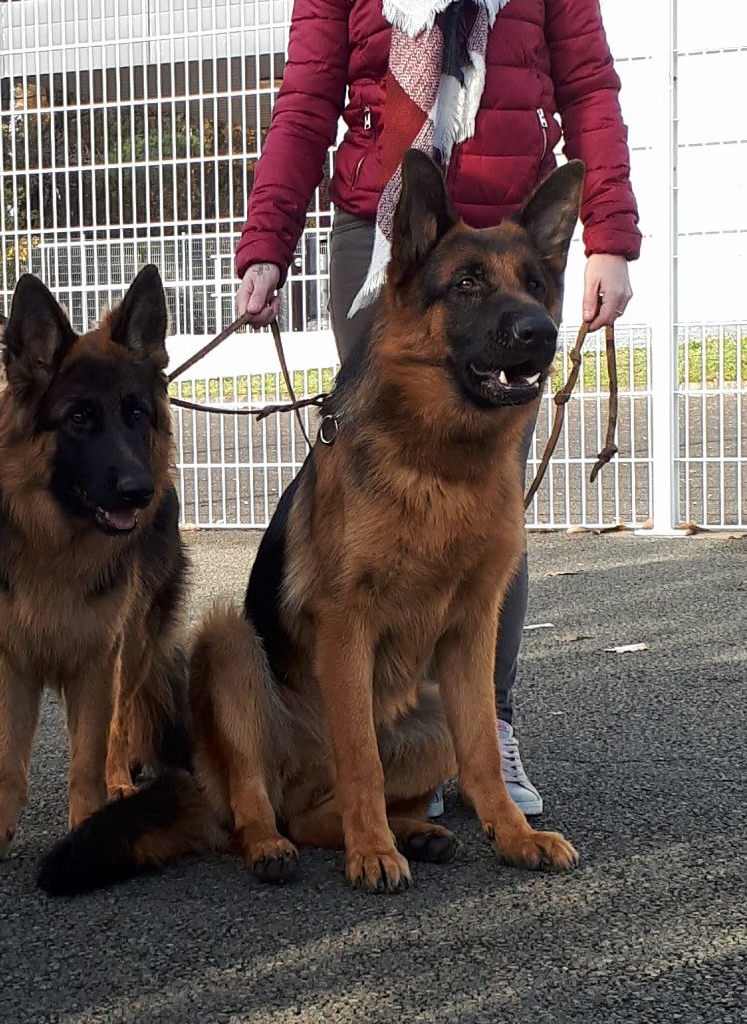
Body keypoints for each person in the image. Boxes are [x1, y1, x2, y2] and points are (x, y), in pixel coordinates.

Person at [234, 0, 640, 817]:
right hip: (387, 235)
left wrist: (608, 239)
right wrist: (267, 244)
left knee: (487, 512)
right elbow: (308, 95)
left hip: (513, 233)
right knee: (362, 510)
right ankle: (349, 746)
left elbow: (589, 83)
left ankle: (487, 723)